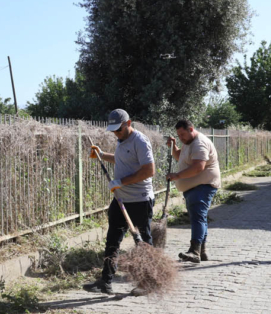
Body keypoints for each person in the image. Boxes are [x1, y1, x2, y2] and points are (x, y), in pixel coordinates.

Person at [84, 109, 156, 296]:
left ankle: (147, 282)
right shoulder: (121, 140)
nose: (116, 133)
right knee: (112, 240)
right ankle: (105, 280)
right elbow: (122, 160)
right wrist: (102, 154)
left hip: (140, 200)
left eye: (119, 130)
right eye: (114, 130)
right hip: (121, 198)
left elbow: (149, 170)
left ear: (128, 123)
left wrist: (121, 182)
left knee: (143, 243)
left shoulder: (140, 141)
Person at [166, 120, 221, 263]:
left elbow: (198, 167)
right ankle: (202, 252)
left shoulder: (199, 143)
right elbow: (181, 158)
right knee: (199, 217)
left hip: (203, 185)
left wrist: (176, 176)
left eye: (182, 134)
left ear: (191, 129)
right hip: (195, 187)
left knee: (198, 217)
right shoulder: (188, 142)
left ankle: (194, 251)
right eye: (178, 135)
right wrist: (174, 147)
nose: (181, 137)